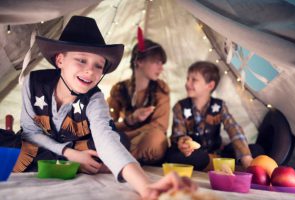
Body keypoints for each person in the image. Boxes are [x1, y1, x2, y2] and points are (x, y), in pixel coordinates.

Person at [0, 16, 195, 199]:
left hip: (82, 145)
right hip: (44, 145)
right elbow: (30, 132)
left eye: (98, 66)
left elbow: (105, 138)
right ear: (60, 60)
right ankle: (74, 163)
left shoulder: (95, 98)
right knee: (10, 141)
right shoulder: (32, 82)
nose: (90, 71)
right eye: (82, 60)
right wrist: (70, 154)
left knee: (115, 143)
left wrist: (145, 186)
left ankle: (77, 162)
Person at [165, 61, 257, 171]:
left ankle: (215, 163)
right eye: (187, 79)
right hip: (195, 154)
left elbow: (233, 128)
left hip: (216, 152)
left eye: (193, 80)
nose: (187, 83)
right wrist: (183, 142)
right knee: (174, 155)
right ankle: (214, 164)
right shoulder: (180, 106)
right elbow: (178, 134)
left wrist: (246, 156)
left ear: (210, 85)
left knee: (255, 149)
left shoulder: (219, 106)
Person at [107, 34, 170, 165]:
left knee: (156, 137)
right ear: (139, 61)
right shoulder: (119, 89)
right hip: (124, 138)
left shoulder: (161, 90)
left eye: (162, 63)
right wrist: (130, 121)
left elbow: (160, 126)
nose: (161, 67)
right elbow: (107, 124)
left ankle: (120, 162)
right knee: (103, 136)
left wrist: (128, 136)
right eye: (156, 62)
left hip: (144, 141)